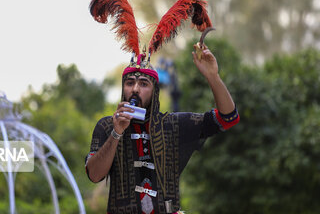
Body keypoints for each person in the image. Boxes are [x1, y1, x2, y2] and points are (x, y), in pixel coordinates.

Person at [85, 42, 240, 213]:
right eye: (129, 83)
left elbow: (228, 118)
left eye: (144, 84)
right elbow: (94, 175)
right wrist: (116, 133)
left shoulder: (173, 125)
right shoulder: (107, 126)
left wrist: (213, 76)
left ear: (154, 91)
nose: (135, 89)